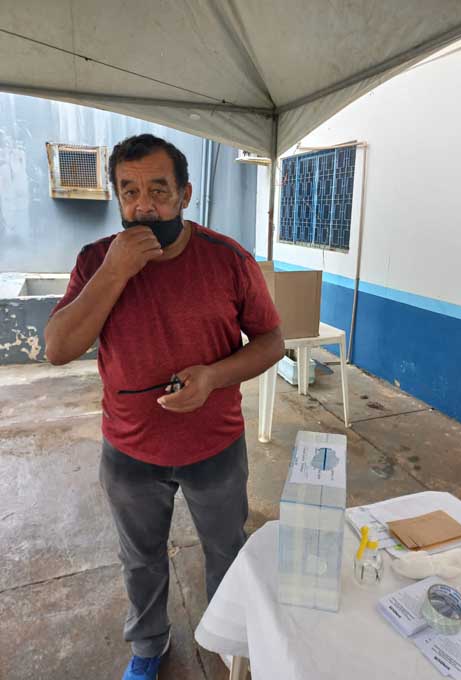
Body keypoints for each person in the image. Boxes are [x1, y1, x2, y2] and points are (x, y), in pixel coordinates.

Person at [45, 134, 284, 680]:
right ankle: (149, 645)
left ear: (185, 195)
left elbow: (272, 342)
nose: (144, 206)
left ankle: (229, 643)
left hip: (214, 446)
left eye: (158, 190)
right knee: (141, 557)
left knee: (226, 550)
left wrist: (213, 377)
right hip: (129, 450)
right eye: (129, 192)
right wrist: (115, 271)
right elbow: (58, 348)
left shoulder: (228, 259)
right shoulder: (96, 260)